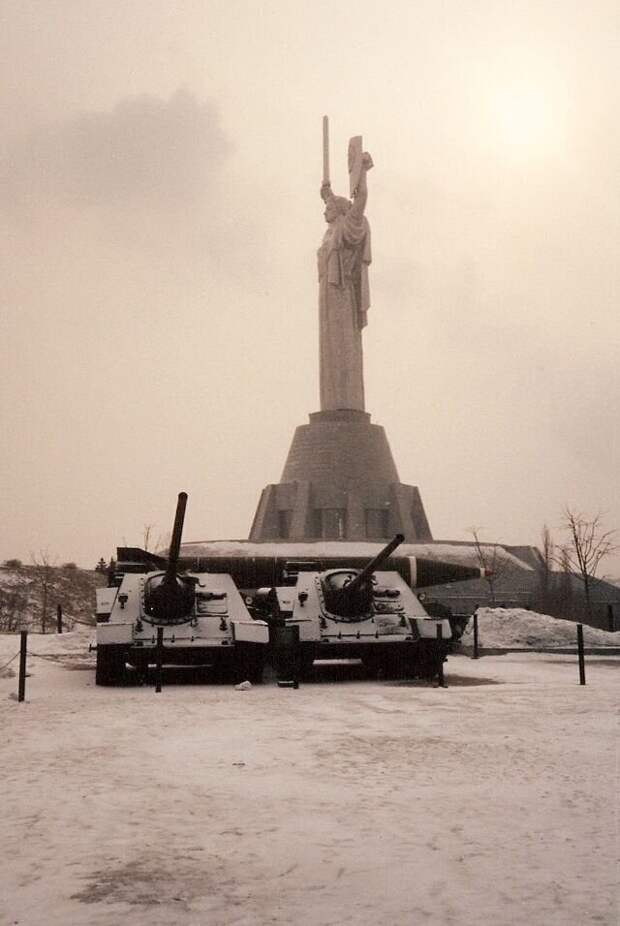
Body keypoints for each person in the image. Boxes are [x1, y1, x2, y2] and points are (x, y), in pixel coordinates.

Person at [317, 152, 373, 411]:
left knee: (343, 344)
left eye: (328, 207)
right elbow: (333, 201)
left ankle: (347, 401)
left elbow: (359, 201)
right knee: (329, 347)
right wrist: (327, 193)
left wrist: (361, 171)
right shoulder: (331, 231)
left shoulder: (347, 227)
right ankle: (332, 401)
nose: (324, 210)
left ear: (338, 212)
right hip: (327, 297)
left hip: (341, 295)